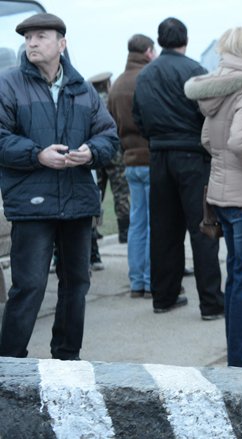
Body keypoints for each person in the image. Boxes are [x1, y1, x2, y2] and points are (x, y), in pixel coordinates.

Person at [0, 13, 118, 359]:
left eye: (40, 36)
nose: (32, 43)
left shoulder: (82, 89)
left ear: (61, 44)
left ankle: (67, 358)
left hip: (77, 201)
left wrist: (91, 152)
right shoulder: (9, 84)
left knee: (77, 284)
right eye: (28, 38)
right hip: (31, 203)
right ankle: (8, 364)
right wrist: (38, 155)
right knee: (30, 285)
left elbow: (108, 135)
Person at [185, 26, 242, 369]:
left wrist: (225, 164)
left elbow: (209, 139)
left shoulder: (217, 89)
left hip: (223, 193)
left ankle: (241, 354)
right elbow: (241, 142)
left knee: (237, 277)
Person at [133, 17, 224, 318]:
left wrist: (158, 140)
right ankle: (211, 303)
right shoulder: (194, 71)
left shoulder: (145, 75)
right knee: (203, 229)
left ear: (159, 41)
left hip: (158, 156)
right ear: (185, 40)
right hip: (192, 157)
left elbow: (139, 118)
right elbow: (209, 114)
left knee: (163, 230)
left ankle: (164, 297)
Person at [108, 34, 156, 298]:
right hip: (150, 158)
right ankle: (151, 281)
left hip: (129, 160)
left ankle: (136, 281)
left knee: (137, 223)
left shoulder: (116, 85)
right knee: (152, 223)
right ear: (148, 52)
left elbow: (112, 124)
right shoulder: (147, 79)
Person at [89, 72, 130, 244]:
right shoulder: (111, 99)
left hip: (94, 151)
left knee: (95, 192)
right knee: (120, 191)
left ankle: (93, 231)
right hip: (114, 152)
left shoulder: (90, 102)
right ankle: (124, 231)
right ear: (106, 83)